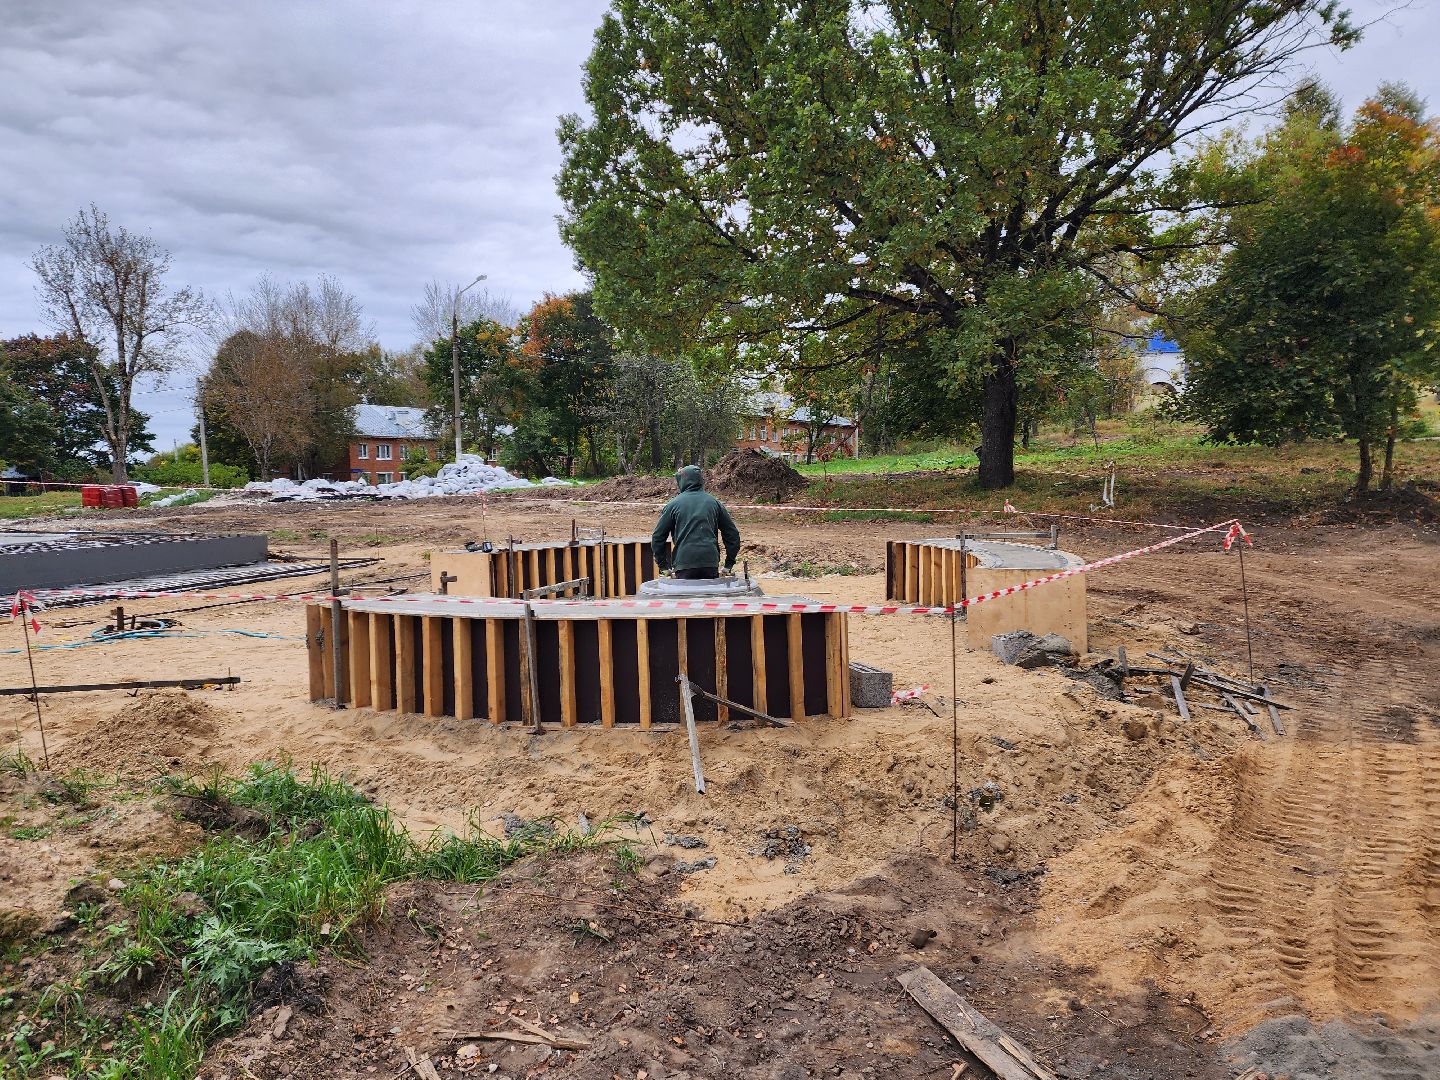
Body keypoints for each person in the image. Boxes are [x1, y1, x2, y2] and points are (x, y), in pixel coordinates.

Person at [651, 465, 741, 579]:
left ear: (682, 481)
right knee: (709, 595)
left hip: (684, 564)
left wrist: (663, 567)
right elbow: (732, 534)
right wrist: (729, 564)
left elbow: (658, 537)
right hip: (709, 562)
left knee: (686, 596)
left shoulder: (673, 505)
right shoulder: (714, 503)